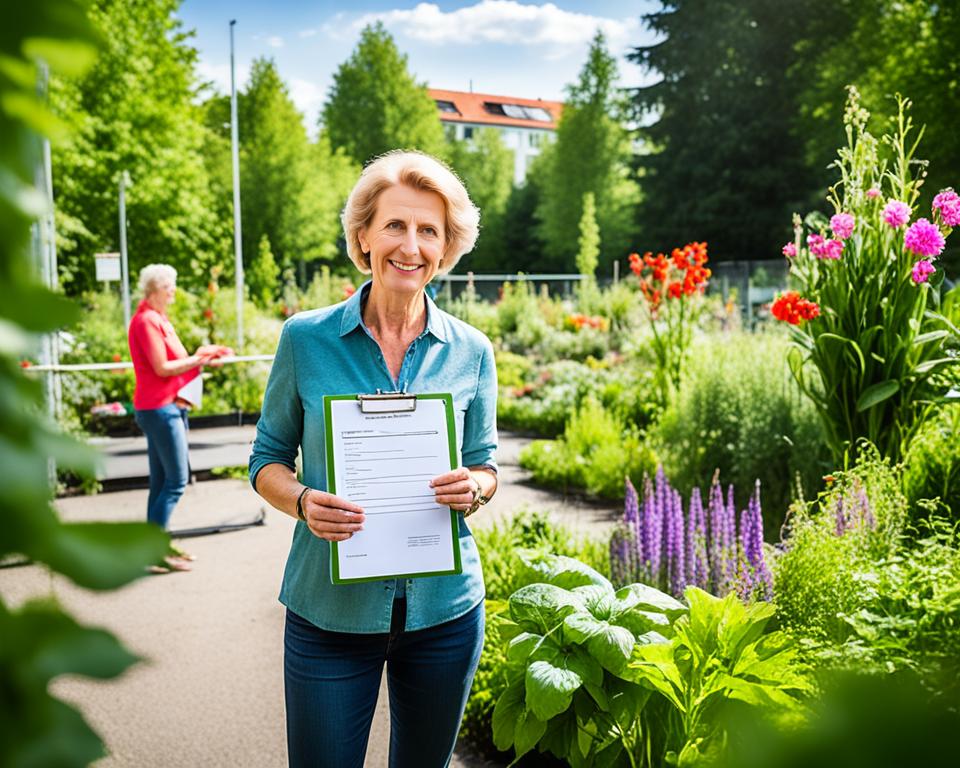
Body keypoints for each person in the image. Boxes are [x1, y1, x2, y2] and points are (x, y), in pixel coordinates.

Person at [249, 150, 498, 768]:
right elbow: (266, 460)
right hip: (329, 615)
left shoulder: (472, 351)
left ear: (444, 249)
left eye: (427, 230)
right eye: (394, 225)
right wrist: (303, 501)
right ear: (364, 235)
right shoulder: (305, 340)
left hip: (445, 613)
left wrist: (476, 486)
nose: (409, 245)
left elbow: (487, 465)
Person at [128, 263, 228, 570]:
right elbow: (162, 368)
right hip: (159, 409)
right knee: (176, 481)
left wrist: (203, 355)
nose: (173, 292)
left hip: (166, 407)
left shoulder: (157, 320)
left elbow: (178, 362)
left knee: (161, 483)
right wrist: (199, 359)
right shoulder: (147, 321)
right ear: (157, 289)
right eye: (170, 286)